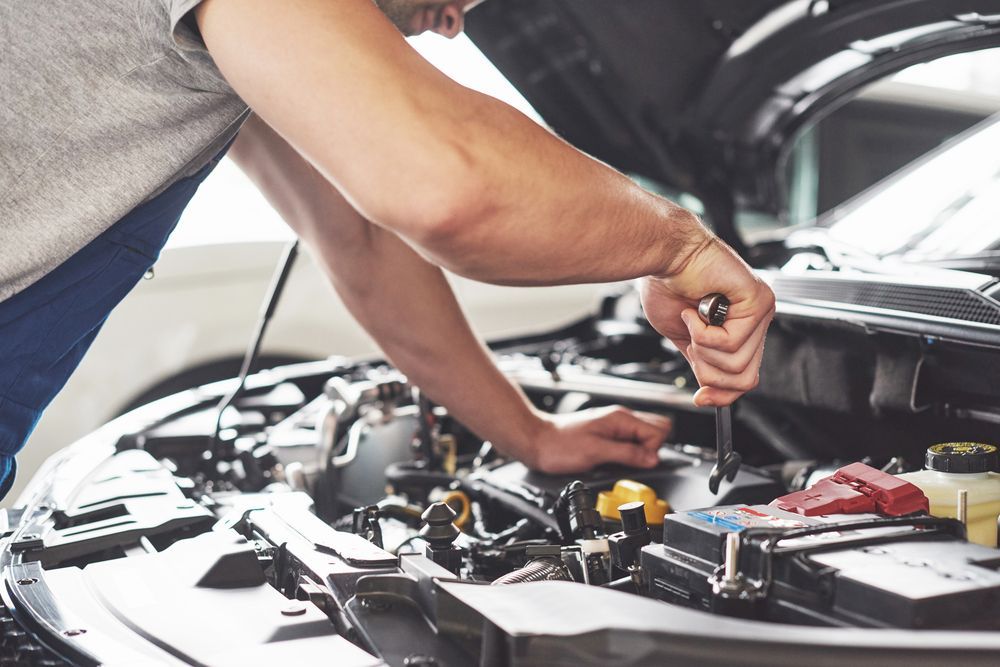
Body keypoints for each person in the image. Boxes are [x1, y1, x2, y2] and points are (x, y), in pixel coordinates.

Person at [0, 0, 774, 497]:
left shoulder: (249, 38)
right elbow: (447, 184)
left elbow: (365, 238)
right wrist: (676, 247)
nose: (455, 22)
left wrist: (530, 433)